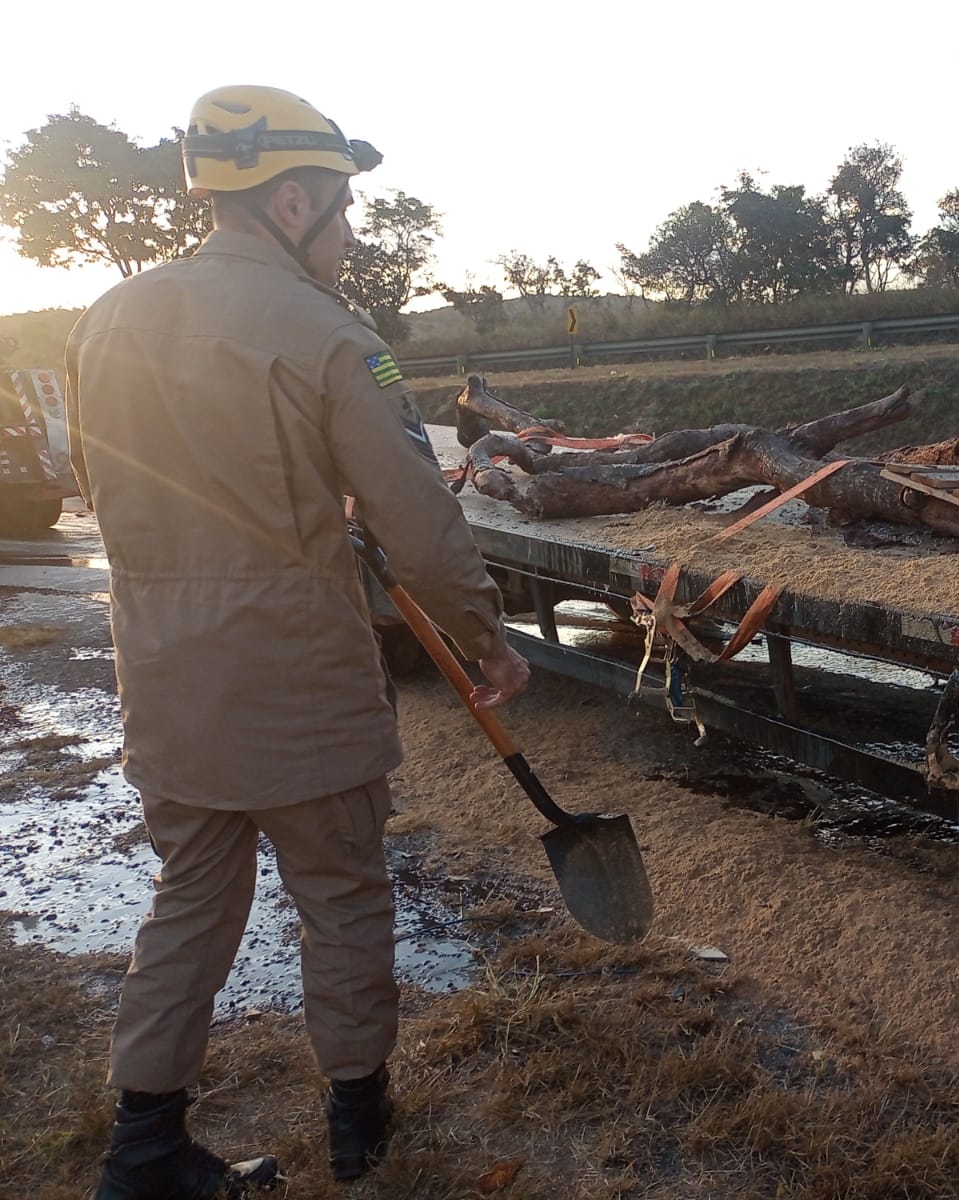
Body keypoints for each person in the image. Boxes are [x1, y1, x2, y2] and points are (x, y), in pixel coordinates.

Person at [66, 85, 531, 1198]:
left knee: (190, 898)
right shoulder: (331, 335)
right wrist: (484, 635)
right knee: (341, 895)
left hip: (165, 677)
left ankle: (142, 1151)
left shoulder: (105, 320)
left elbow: (97, 488)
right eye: (343, 208)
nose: (351, 231)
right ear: (290, 203)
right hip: (297, 681)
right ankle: (360, 1126)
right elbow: (417, 516)